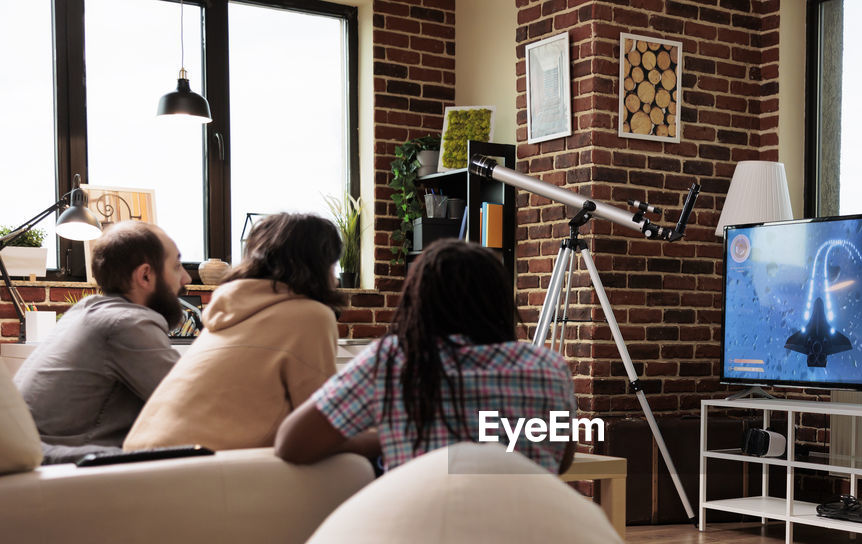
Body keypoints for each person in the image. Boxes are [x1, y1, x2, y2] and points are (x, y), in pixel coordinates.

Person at [275, 239, 576, 475]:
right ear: (499, 300)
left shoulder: (395, 359)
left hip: (426, 536)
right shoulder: (550, 366)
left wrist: (388, 437)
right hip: (533, 539)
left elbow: (291, 443)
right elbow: (561, 460)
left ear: (417, 301)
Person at [125, 213, 345, 451]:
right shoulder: (310, 316)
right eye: (332, 265)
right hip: (189, 466)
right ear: (318, 266)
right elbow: (323, 427)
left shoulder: (226, 313)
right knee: (352, 467)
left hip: (135, 459)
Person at [15, 220, 189, 462]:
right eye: (177, 266)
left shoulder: (85, 310)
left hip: (35, 462)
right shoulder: (128, 322)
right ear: (145, 275)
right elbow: (189, 404)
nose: (187, 279)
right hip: (60, 469)